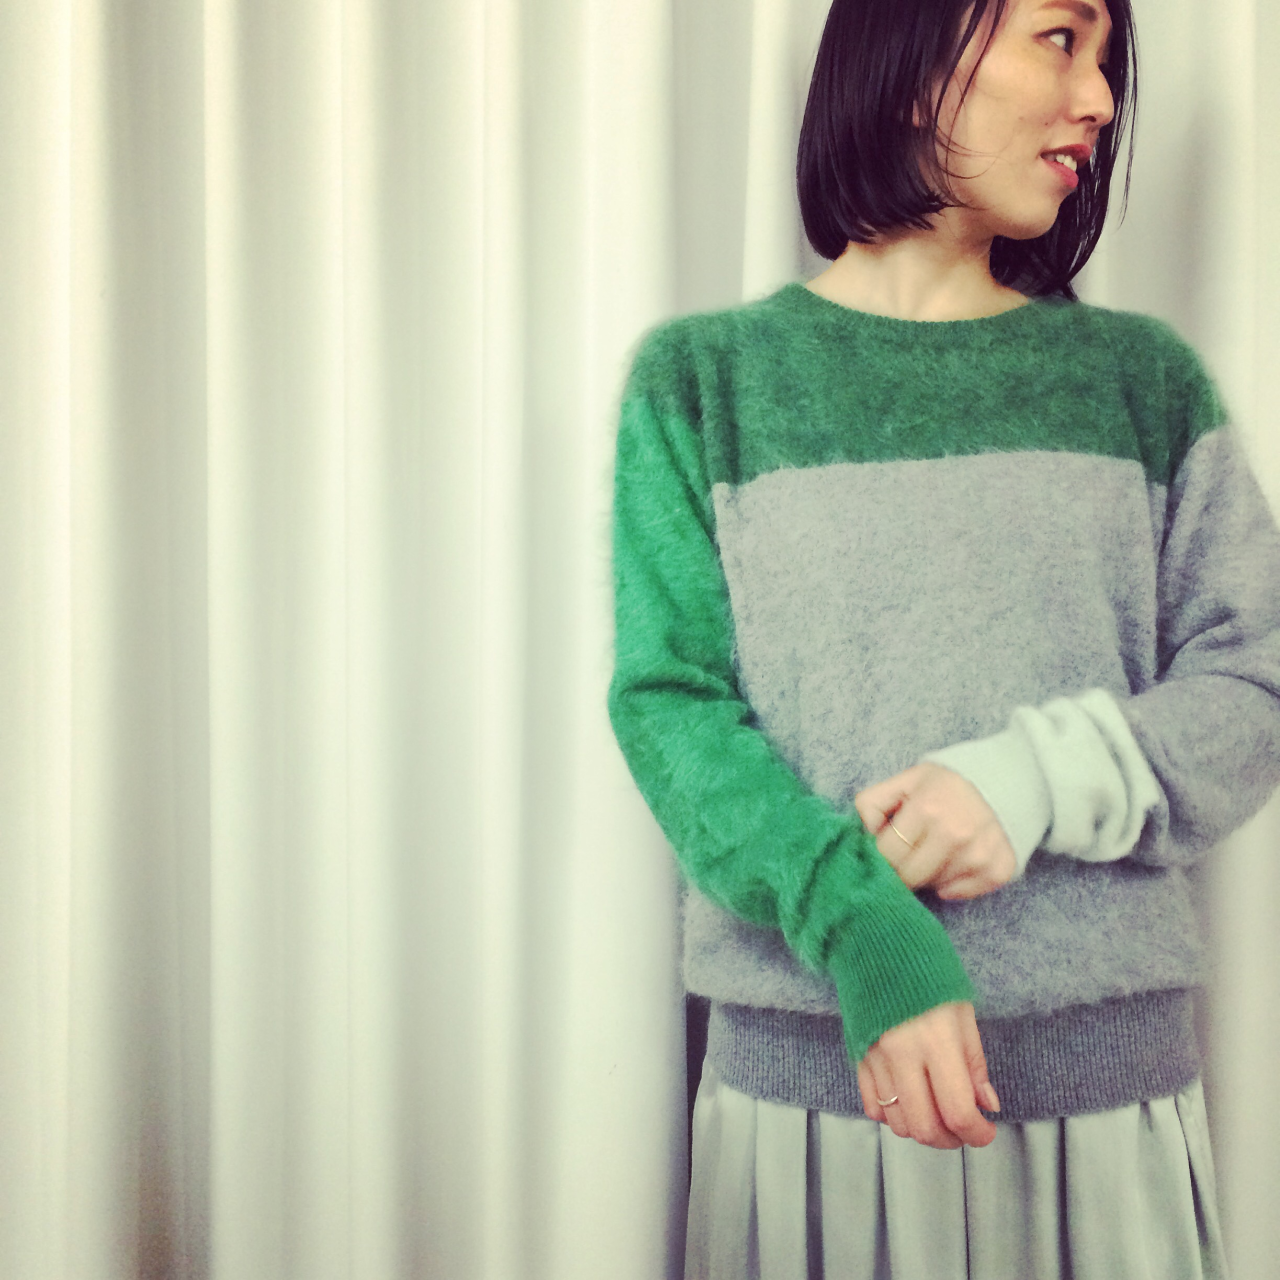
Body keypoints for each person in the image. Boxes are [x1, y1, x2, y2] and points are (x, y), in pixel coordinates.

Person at [608, 0, 1280, 1275]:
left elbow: (1255, 676)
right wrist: (862, 923)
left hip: (1105, 1107)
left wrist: (1027, 781)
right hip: (811, 1104)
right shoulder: (704, 381)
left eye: (1106, 62)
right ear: (914, 52)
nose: (1099, 100)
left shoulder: (1140, 382)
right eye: (1059, 38)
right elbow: (669, 704)